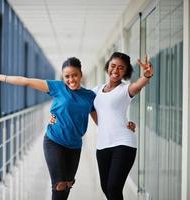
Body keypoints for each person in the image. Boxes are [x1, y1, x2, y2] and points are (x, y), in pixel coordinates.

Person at [0, 57, 136, 200]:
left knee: (67, 186)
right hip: (54, 141)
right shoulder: (57, 87)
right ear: (63, 77)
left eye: (74, 75)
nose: (71, 80)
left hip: (74, 146)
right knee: (59, 185)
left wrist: (123, 125)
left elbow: (103, 120)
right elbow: (26, 82)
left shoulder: (90, 96)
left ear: (81, 74)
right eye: (67, 76)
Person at [50, 52, 153, 200]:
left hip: (123, 143)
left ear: (126, 71)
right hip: (103, 145)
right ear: (107, 67)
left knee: (114, 188)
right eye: (113, 66)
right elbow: (76, 102)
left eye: (121, 68)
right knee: (106, 188)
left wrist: (147, 76)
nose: (115, 70)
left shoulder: (126, 90)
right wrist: (55, 116)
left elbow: (138, 85)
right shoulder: (96, 91)